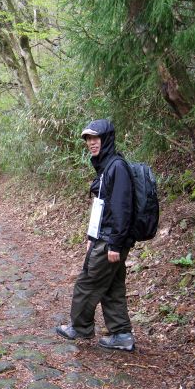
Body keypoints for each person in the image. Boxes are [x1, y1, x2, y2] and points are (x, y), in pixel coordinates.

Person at [56, 119, 136, 351]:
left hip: (111, 239)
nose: (91, 143)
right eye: (88, 139)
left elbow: (122, 208)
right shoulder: (106, 166)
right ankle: (121, 335)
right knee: (111, 286)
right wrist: (92, 237)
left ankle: (79, 327)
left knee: (87, 282)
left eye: (95, 138)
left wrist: (114, 244)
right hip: (105, 237)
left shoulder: (116, 167)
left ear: (106, 139)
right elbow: (103, 206)